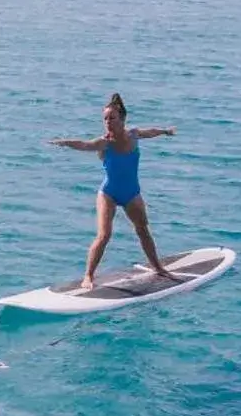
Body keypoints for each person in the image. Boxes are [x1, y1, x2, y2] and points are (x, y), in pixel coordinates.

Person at [51, 93, 178, 288]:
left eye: (112, 118)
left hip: (132, 193)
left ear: (122, 120)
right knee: (104, 235)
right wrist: (65, 142)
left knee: (143, 230)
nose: (108, 122)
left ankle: (158, 267)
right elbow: (84, 144)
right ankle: (88, 276)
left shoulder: (134, 135)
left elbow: (149, 131)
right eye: (105, 119)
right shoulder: (104, 143)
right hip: (109, 193)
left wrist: (165, 131)